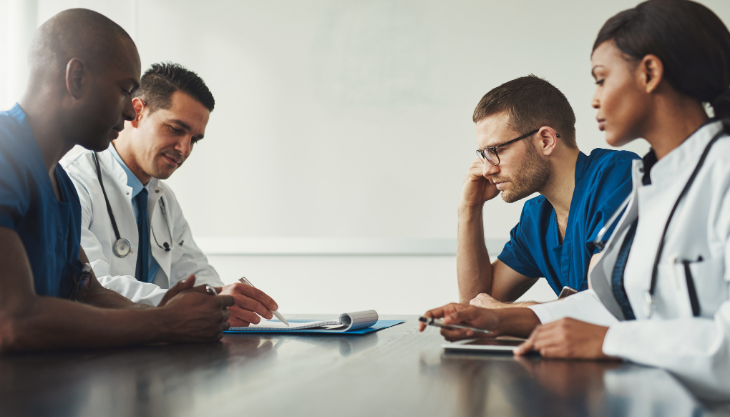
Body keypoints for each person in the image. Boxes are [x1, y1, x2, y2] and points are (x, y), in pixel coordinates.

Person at [422, 0, 730, 400]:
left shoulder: (700, 173)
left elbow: (627, 326)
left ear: (650, 73)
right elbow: (624, 305)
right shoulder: (657, 180)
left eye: (601, 79)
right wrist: (503, 319)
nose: (593, 100)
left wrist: (605, 340)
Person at [0, 8, 235, 352]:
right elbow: (12, 320)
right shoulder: (5, 153)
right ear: (76, 78)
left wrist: (174, 311)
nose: (129, 113)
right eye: (125, 90)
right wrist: (165, 321)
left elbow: (87, 291)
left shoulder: (59, 182)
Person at [62, 63, 277, 327]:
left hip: (155, 346)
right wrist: (193, 305)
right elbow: (92, 287)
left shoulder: (164, 199)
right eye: (176, 129)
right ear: (137, 112)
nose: (184, 148)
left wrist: (225, 300)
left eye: (194, 139)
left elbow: (196, 273)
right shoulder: (74, 181)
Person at [458, 75, 638, 309]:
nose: (487, 169)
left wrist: (507, 311)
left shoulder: (617, 176)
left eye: (495, 150)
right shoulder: (536, 219)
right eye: (483, 154)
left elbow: (604, 303)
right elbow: (476, 303)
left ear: (545, 140)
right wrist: (469, 209)